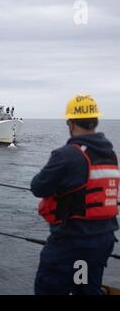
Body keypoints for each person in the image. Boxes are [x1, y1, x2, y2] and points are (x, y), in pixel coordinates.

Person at [31, 95, 119, 295]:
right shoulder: (109, 153)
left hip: (72, 241)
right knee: (86, 288)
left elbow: (38, 187)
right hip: (102, 239)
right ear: (95, 121)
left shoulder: (68, 154)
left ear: (70, 124)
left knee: (49, 288)